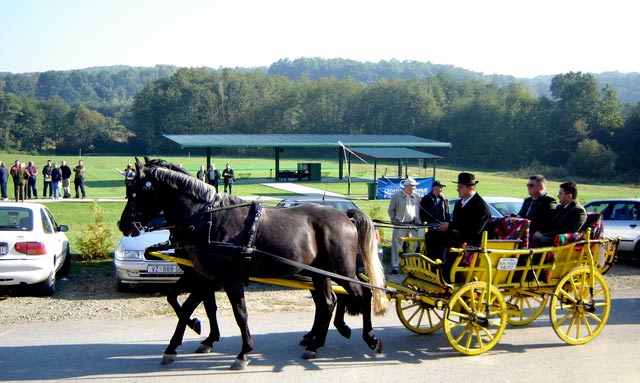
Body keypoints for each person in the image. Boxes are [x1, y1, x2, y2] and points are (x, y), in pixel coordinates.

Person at [425, 172, 491, 270]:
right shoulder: (459, 204)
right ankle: (434, 266)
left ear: (470, 188)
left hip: (472, 240)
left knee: (453, 235)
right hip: (456, 235)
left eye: (460, 187)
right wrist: (447, 226)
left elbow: (475, 230)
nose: (457, 189)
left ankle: (449, 270)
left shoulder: (481, 207)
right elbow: (456, 222)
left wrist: (450, 226)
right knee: (431, 235)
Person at [532, 181, 586, 247]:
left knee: (541, 239)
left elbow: (568, 230)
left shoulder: (578, 211)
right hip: (552, 236)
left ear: (569, 196)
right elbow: (550, 224)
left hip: (563, 242)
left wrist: (545, 235)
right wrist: (540, 231)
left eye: (560, 194)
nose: (558, 196)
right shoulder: (560, 207)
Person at [387, 177, 421, 274]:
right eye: (412, 186)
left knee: (413, 245)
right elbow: (390, 210)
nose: (414, 188)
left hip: (413, 224)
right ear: (407, 186)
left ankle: (410, 266)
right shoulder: (396, 196)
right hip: (400, 224)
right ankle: (395, 266)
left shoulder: (417, 196)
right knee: (397, 245)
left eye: (415, 186)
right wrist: (393, 219)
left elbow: (418, 210)